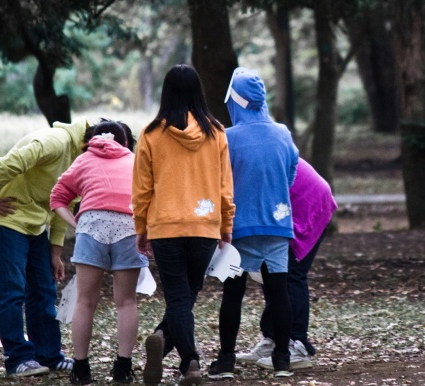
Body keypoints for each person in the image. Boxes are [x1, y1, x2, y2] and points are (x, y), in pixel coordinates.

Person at [133, 64, 235, 386]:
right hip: (204, 226)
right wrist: (226, 224)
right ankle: (188, 361)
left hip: (165, 227)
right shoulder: (216, 132)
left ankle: (167, 340)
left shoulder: (150, 134)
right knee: (187, 294)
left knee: (180, 296)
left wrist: (141, 227)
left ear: (166, 93)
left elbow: (142, 189)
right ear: (198, 92)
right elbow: (224, 185)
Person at [207, 68, 299, 380]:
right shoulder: (283, 133)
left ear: (234, 100)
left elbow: (219, 182)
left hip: (239, 227)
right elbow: (291, 173)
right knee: (279, 293)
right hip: (277, 223)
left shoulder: (227, 138)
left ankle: (226, 361)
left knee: (233, 294)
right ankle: (282, 359)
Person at [0, 119, 90, 378]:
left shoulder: (81, 161)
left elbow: (65, 201)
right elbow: (8, 162)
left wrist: (55, 251)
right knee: (12, 291)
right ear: (89, 143)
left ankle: (48, 355)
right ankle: (17, 358)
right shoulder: (56, 142)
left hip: (35, 224)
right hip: (5, 218)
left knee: (43, 289)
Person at [50, 119, 147, 385]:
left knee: (85, 301)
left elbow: (57, 197)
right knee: (126, 302)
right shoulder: (135, 161)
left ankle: (80, 369)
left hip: (91, 226)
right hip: (129, 226)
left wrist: (77, 223)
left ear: (91, 139)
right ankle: (123, 368)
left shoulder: (83, 160)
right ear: (125, 142)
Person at [237, 157, 337, 370]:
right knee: (271, 272)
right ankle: (274, 338)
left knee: (290, 275)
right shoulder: (240, 147)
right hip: (286, 207)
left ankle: (298, 345)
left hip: (309, 204)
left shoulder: (235, 150)